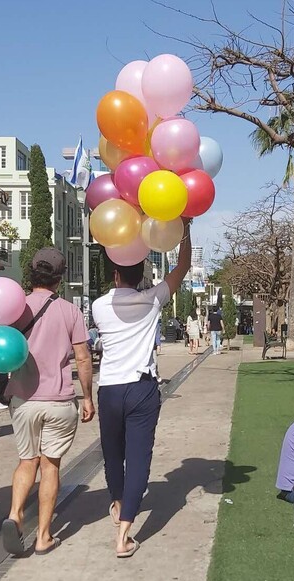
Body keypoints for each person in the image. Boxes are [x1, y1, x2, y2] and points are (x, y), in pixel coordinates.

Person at [93, 220, 192, 558]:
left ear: (115, 275)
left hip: (109, 389)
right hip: (142, 388)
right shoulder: (153, 300)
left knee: (112, 454)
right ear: (140, 274)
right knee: (138, 459)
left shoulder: (98, 307)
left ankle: (118, 503)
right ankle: (124, 536)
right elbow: (182, 268)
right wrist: (186, 230)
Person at [1, 247, 95, 556]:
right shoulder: (70, 311)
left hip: (24, 400)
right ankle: (43, 536)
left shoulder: (15, 308)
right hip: (59, 401)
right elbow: (82, 358)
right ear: (60, 278)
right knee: (50, 466)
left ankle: (15, 513)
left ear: (31, 274)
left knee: (28, 460)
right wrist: (87, 397)